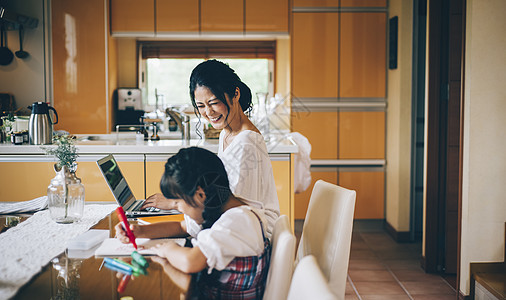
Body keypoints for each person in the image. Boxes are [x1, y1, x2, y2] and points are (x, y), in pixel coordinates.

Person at [142, 59, 280, 238]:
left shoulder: (247, 143)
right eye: (201, 106)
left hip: (253, 237)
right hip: (235, 228)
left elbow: (235, 209)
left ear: (235, 94)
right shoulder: (227, 132)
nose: (208, 112)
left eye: (214, 102)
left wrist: (177, 203)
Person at [116, 147, 271, 299]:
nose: (178, 209)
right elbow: (181, 227)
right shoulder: (222, 209)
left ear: (200, 194)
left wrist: (168, 249)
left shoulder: (237, 221)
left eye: (177, 204)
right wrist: (141, 232)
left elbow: (190, 261)